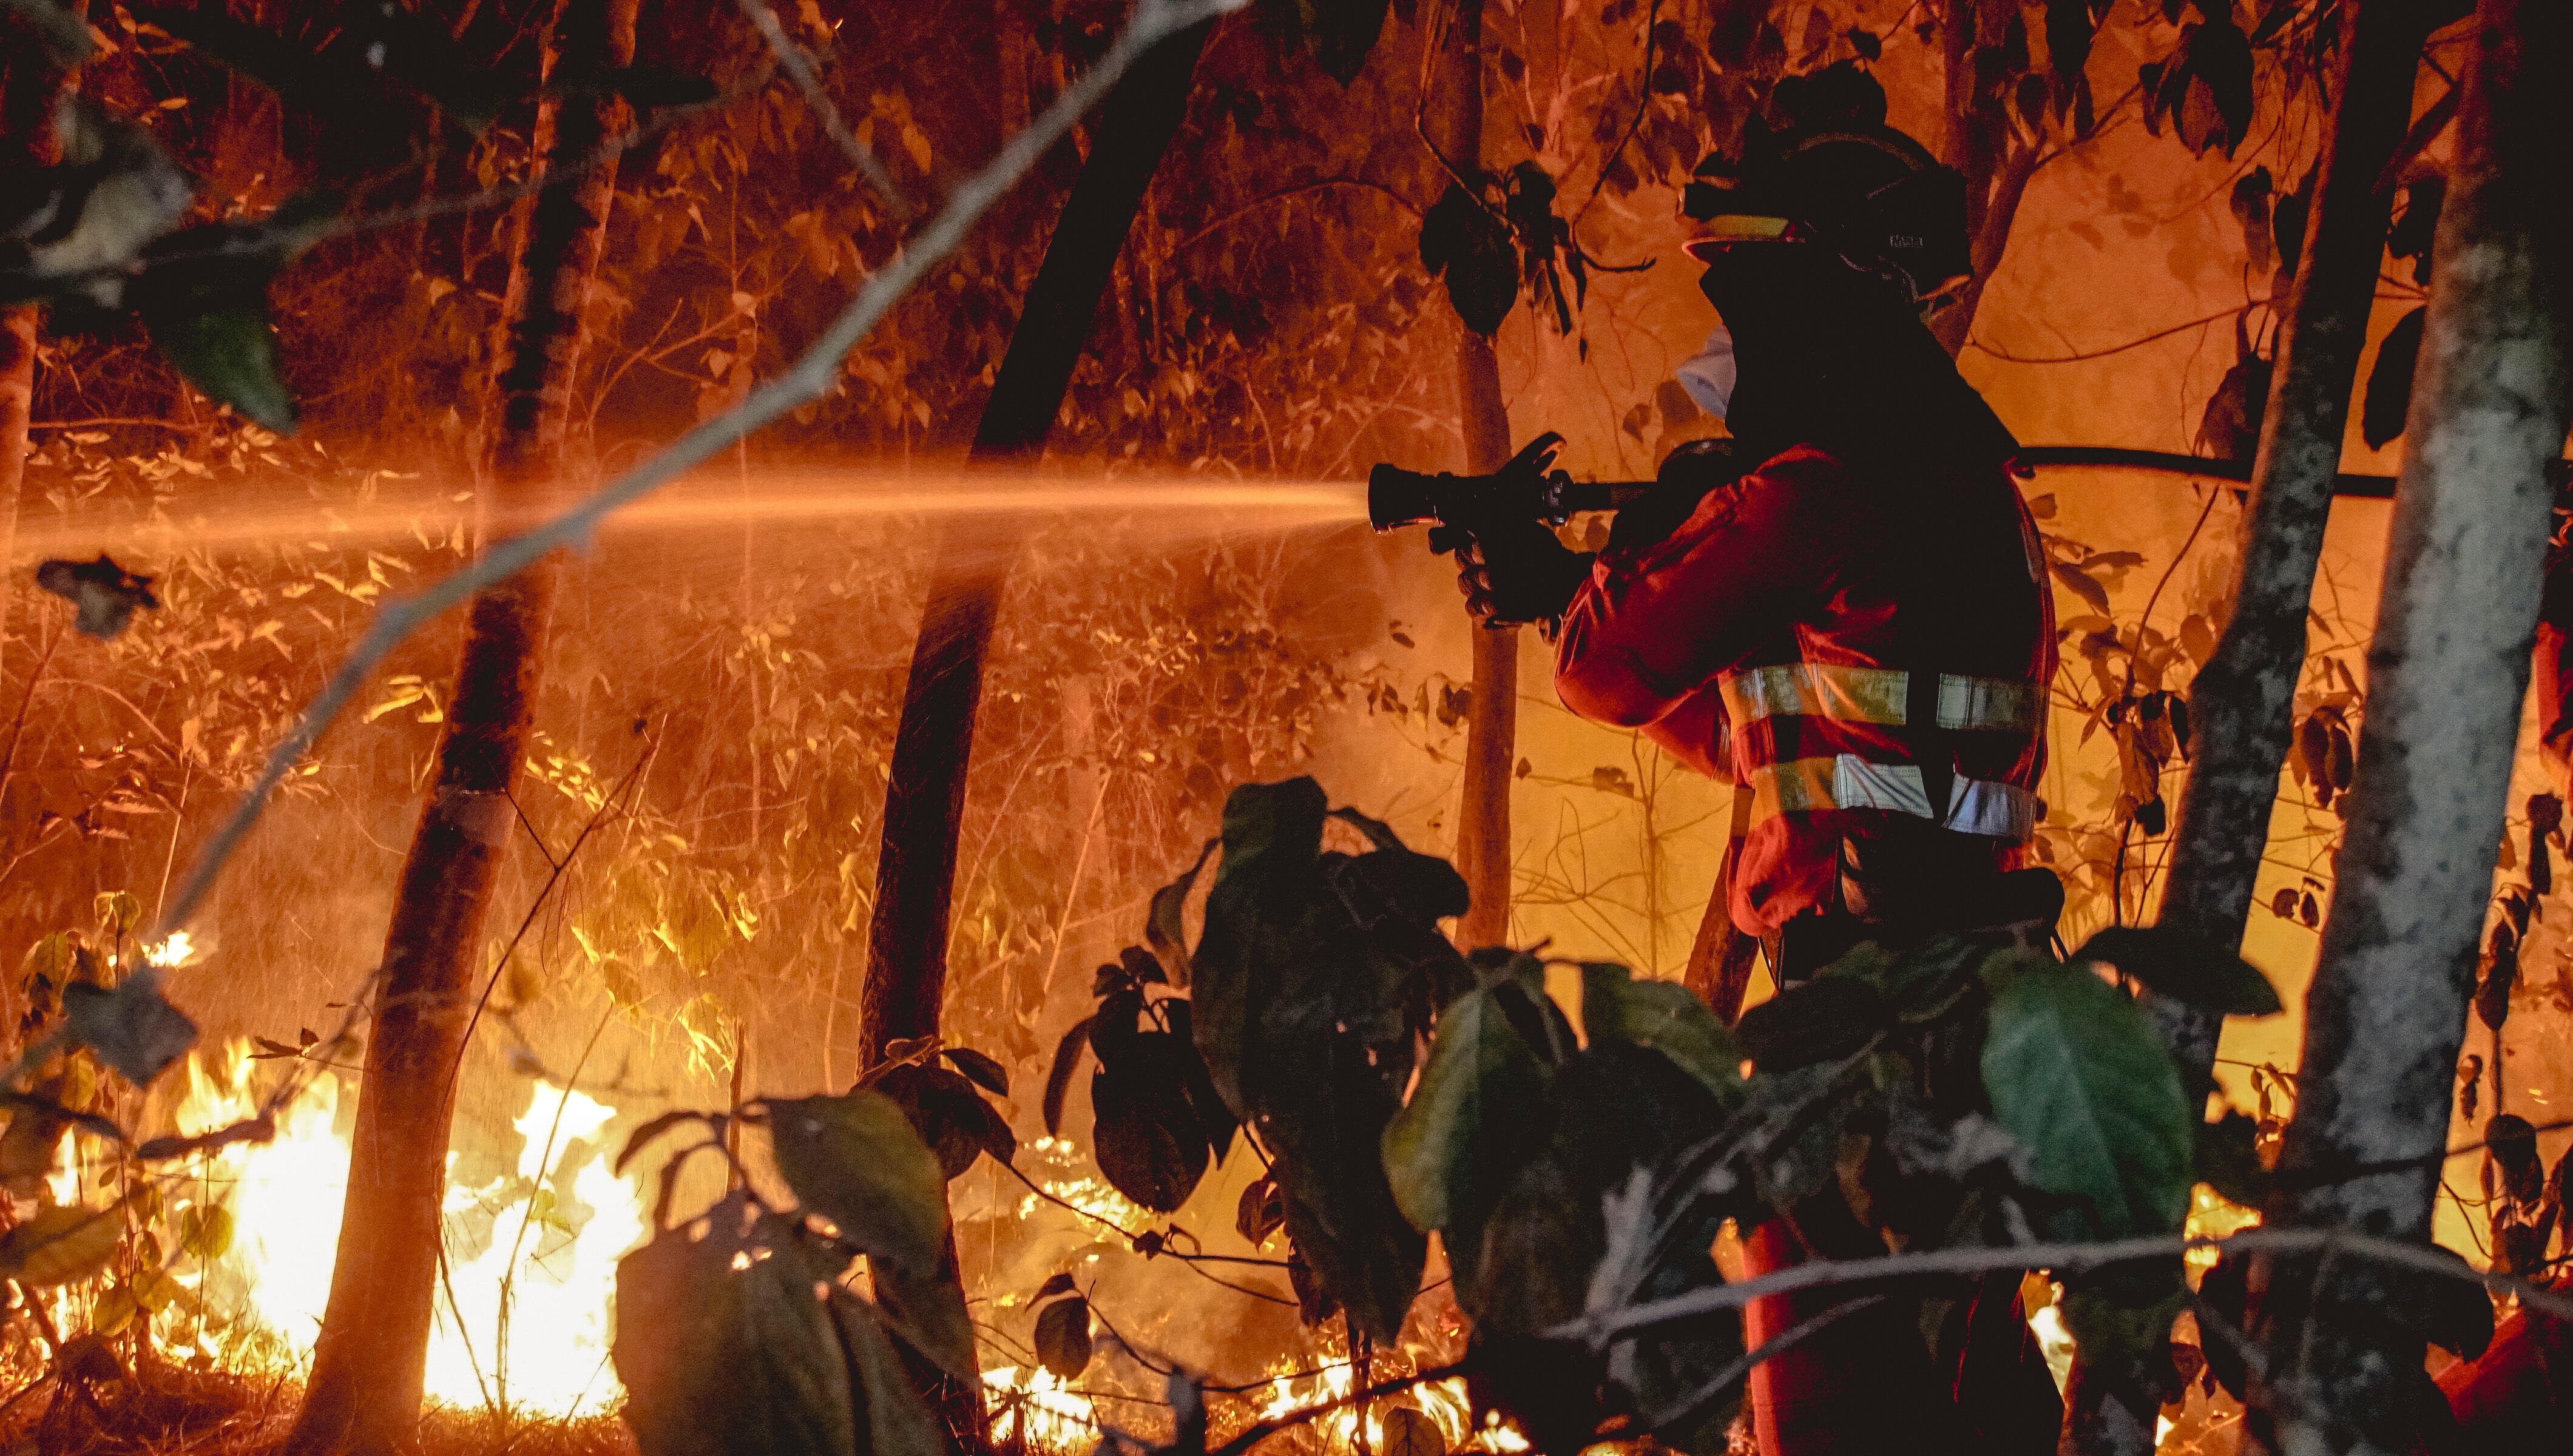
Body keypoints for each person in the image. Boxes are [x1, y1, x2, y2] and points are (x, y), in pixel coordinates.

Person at [1439, 69, 2063, 1456]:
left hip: (1855, 1015)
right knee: (1960, 1378)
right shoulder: (1973, 495)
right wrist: (1600, 574)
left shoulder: (1816, 489)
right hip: (1980, 1003)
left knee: (1833, 1395)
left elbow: (1605, 673)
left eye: (1744, 292)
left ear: (1811, 293)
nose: (1730, 331)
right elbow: (1777, 750)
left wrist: (1594, 578)